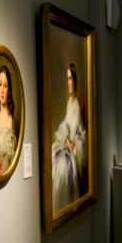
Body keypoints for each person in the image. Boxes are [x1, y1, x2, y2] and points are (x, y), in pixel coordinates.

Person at [52, 63, 87, 212]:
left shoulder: (77, 105)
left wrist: (69, 141)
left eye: (71, 78)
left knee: (62, 167)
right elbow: (66, 126)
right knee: (52, 155)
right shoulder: (69, 102)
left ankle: (64, 207)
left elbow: (75, 132)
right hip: (67, 142)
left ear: (76, 81)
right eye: (67, 79)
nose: (69, 83)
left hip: (74, 146)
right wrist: (64, 138)